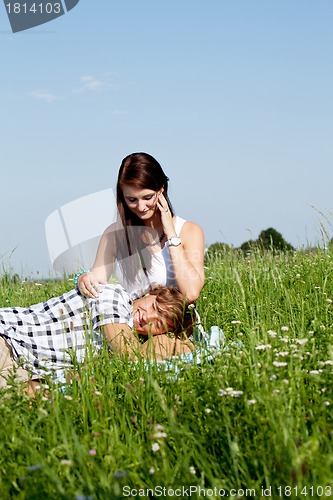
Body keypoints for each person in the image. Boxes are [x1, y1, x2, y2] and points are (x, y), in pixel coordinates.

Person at [0, 284, 195, 389]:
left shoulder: (118, 351)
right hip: (8, 337)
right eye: (153, 306)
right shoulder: (114, 296)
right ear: (150, 293)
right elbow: (130, 356)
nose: (147, 317)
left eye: (158, 324)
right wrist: (173, 344)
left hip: (23, 367)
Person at [76, 152, 205, 303]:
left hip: (173, 322)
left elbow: (191, 293)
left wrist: (171, 233)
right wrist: (83, 279)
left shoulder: (189, 231)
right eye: (132, 200)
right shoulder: (114, 234)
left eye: (147, 197)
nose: (141, 207)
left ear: (161, 189)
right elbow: (97, 282)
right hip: (131, 321)